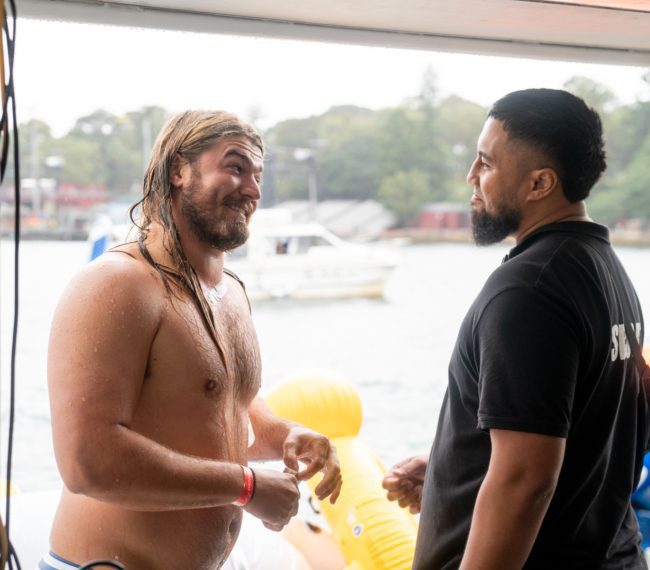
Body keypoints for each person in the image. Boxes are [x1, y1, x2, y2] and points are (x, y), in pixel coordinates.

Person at [45, 110, 342, 569]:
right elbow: (88, 461)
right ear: (178, 170)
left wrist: (286, 435)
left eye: (258, 175)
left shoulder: (232, 291)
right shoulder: (117, 284)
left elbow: (224, 404)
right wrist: (246, 487)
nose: (253, 190)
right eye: (236, 167)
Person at [383, 89, 648, 569]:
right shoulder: (604, 269)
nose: (471, 177)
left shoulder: (529, 290)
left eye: (486, 163)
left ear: (540, 183)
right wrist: (454, 470)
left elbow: (526, 480)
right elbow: (579, 428)